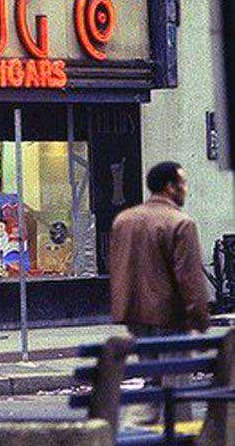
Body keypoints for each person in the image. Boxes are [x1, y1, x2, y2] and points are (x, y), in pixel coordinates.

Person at [109, 161, 209, 424]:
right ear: (169, 187)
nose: (186, 189)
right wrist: (200, 317)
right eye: (183, 183)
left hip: (136, 317)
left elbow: (118, 268)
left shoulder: (124, 220)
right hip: (170, 317)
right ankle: (179, 434)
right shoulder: (181, 223)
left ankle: (137, 426)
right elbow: (190, 279)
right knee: (177, 388)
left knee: (152, 381)